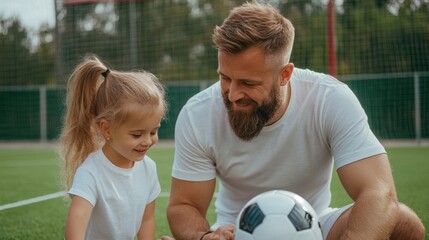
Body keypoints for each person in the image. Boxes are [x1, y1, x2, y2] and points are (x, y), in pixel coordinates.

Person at [163, 2, 425, 240]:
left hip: (317, 223)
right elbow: (184, 205)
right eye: (225, 77)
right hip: (235, 232)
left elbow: (377, 192)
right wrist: (203, 236)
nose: (232, 94)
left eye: (248, 83)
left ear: (285, 74)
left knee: (405, 224)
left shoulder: (329, 99)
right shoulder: (197, 114)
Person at [59, 55, 167, 240]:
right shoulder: (91, 173)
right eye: (136, 134)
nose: (147, 141)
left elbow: (147, 220)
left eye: (153, 131)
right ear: (106, 129)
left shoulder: (148, 168)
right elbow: (76, 226)